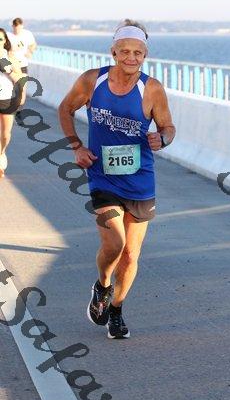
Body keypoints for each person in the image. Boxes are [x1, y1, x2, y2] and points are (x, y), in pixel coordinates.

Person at [59, 20, 176, 338]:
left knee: (131, 254)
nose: (131, 57)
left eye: (137, 52)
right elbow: (65, 109)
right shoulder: (92, 81)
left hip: (140, 180)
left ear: (145, 55)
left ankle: (116, 310)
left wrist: (162, 139)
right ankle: (102, 285)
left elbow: (168, 127)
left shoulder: (151, 89)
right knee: (114, 243)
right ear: (113, 52)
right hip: (103, 177)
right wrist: (77, 146)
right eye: (124, 51)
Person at [0, 28, 25, 178]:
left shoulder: (10, 58)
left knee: (5, 135)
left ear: (5, 42)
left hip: (8, 100)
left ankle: (2, 152)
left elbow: (20, 80)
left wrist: (7, 70)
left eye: (0, 39)